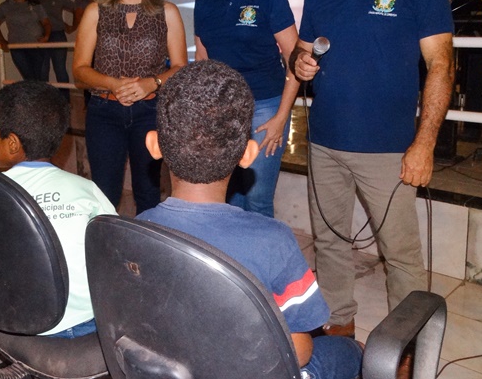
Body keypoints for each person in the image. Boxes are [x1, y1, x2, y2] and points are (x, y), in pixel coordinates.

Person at [291, 0, 454, 338]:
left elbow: (441, 65)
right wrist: (300, 63)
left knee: (400, 254)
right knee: (329, 241)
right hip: (325, 143)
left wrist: (424, 144)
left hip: (389, 149)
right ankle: (339, 328)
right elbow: (302, 52)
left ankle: (404, 344)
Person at [137, 60, 363, 379]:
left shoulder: (135, 229)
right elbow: (298, 352)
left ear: (154, 145)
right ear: (248, 154)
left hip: (166, 369)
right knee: (349, 351)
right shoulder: (273, 241)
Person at [0, 80, 116, 338]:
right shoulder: (87, 189)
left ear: (12, 144)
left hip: (17, 322)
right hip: (88, 323)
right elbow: (116, 251)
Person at [193, 0, 300, 218]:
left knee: (257, 198)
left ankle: (260, 251)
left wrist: (281, 117)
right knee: (229, 197)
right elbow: (202, 60)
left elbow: (295, 60)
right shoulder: (204, 1)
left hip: (265, 107)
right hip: (222, 111)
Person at [73, 0, 187, 214]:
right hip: (104, 112)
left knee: (148, 193)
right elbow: (79, 71)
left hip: (149, 112)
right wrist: (112, 83)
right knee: (104, 194)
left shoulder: (167, 12)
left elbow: (180, 68)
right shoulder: (96, 11)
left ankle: (145, 243)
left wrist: (152, 83)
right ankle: (104, 242)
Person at [0, 0, 51, 81]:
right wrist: (2, 41)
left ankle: (42, 92)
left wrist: (46, 36)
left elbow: (46, 23)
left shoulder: (35, 5)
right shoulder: (5, 6)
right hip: (17, 47)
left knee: (41, 78)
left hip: (36, 45)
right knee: (29, 78)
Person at [31, 0, 76, 98]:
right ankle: (44, 100)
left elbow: (76, 9)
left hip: (57, 35)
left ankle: (65, 100)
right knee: (42, 70)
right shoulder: (31, 0)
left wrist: (73, 26)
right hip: (39, 37)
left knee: (60, 69)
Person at [73, 0, 101, 107]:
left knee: (100, 70)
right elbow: (80, 20)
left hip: (102, 41)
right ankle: (88, 102)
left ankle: (99, 99)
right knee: (87, 70)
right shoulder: (80, 1)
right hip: (88, 41)